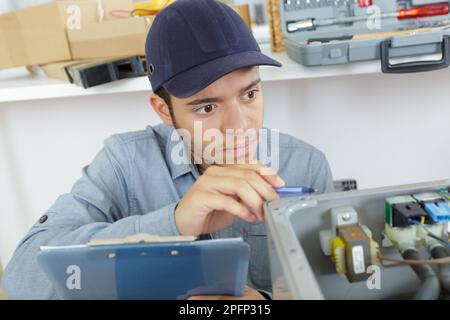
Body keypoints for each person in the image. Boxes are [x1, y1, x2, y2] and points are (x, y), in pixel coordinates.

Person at [3, 0, 334, 299]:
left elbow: (334, 288)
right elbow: (21, 279)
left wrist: (263, 303)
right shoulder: (125, 163)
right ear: (163, 110)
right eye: (207, 108)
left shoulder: (305, 166)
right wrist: (172, 224)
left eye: (249, 94)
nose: (239, 125)